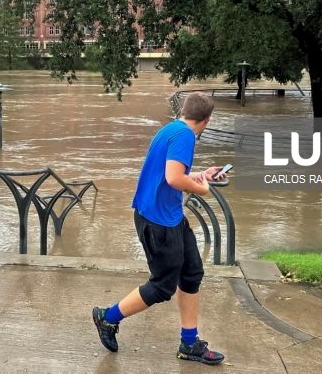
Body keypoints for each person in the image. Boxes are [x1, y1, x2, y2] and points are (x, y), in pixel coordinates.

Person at [92, 92, 227, 366]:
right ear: (207, 120)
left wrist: (202, 175)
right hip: (159, 223)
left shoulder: (172, 129)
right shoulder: (186, 136)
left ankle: (189, 343)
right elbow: (173, 177)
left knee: (192, 273)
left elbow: (170, 174)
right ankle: (107, 317)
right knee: (163, 286)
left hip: (169, 217)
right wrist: (203, 188)